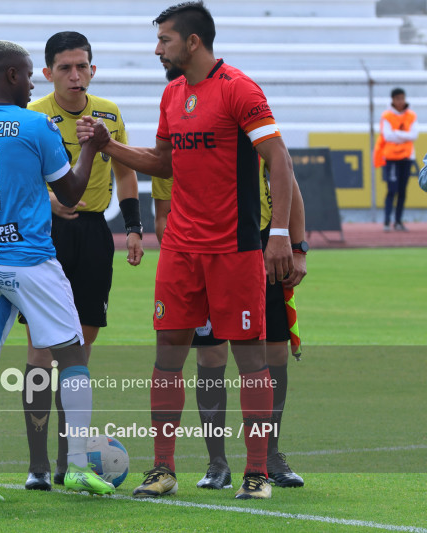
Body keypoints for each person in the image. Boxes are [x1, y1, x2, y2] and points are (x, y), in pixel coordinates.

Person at [78, 1, 295, 500]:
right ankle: (163, 469)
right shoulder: (172, 93)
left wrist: (279, 234)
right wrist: (108, 146)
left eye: (165, 41)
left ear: (192, 42)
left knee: (250, 357)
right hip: (180, 246)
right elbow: (162, 162)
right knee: (168, 354)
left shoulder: (239, 89)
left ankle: (257, 472)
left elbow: (277, 160)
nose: (158, 50)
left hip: (235, 248)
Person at [0, 40, 114, 503]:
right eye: (29, 74)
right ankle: (73, 469)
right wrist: (91, 147)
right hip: (32, 261)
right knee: (71, 355)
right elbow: (70, 195)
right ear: (11, 75)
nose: (33, 83)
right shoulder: (37, 124)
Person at [21, 30, 145, 491]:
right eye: (66, 68)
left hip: (95, 234)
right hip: (44, 238)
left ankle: (68, 461)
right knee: (39, 353)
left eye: (83, 67)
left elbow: (126, 171)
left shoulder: (108, 112)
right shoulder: (32, 116)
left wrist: (132, 228)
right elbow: (17, 177)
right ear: (48, 73)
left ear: (93, 69)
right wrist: (47, 203)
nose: (76, 76)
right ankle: (36, 465)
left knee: (80, 354)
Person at [180, 164, 307, 491]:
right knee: (211, 356)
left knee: (275, 352)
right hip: (209, 242)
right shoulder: (198, 130)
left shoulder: (258, 128)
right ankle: (217, 463)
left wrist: (298, 247)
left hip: (262, 241)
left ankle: (270, 455)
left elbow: (287, 178)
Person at [374, 88, 418, 232]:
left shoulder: (411, 115)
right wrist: (404, 135)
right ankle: (387, 221)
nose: (401, 101)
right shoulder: (386, 115)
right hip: (391, 158)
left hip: (406, 157)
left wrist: (397, 134)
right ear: (393, 99)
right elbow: (387, 136)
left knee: (402, 190)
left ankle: (398, 221)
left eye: (402, 98)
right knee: (391, 189)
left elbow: (414, 135)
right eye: (398, 98)